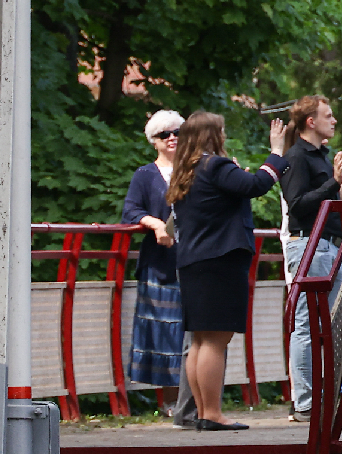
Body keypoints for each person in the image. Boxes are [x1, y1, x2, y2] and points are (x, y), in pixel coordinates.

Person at [169, 110, 290, 431]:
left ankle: (203, 412)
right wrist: (276, 152)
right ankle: (211, 413)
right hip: (219, 261)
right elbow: (256, 184)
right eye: (220, 130)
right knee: (215, 340)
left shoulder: (188, 171)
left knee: (199, 340)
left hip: (193, 261)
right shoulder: (215, 165)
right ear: (212, 135)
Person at [279, 95, 342, 422]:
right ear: (311, 121)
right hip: (310, 243)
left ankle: (328, 398)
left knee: (332, 322)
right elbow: (296, 204)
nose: (333, 121)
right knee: (308, 324)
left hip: (329, 244)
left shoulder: (320, 155)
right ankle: (305, 402)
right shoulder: (296, 156)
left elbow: (336, 196)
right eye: (328, 115)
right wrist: (332, 185)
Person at [121, 109, 195, 426]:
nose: (172, 138)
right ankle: (167, 401)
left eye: (177, 132)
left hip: (193, 260)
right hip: (159, 263)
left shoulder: (196, 171)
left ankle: (190, 401)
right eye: (165, 134)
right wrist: (154, 224)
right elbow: (130, 211)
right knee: (163, 331)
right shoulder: (145, 175)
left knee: (192, 331)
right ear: (155, 141)